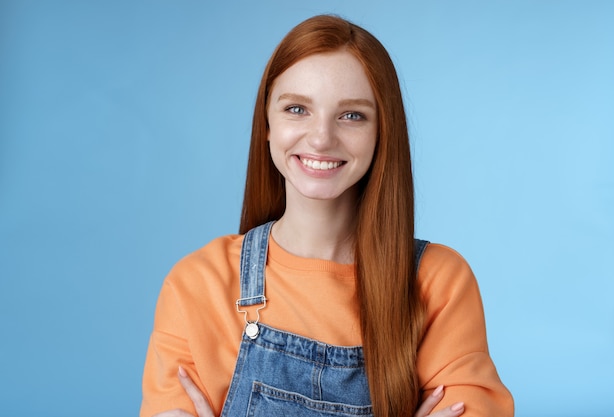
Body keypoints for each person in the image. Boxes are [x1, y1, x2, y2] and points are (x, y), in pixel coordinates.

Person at [140, 14, 514, 417]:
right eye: (297, 108)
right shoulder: (197, 285)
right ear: (266, 123)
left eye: (352, 115)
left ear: (381, 132)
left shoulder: (437, 283)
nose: (321, 138)